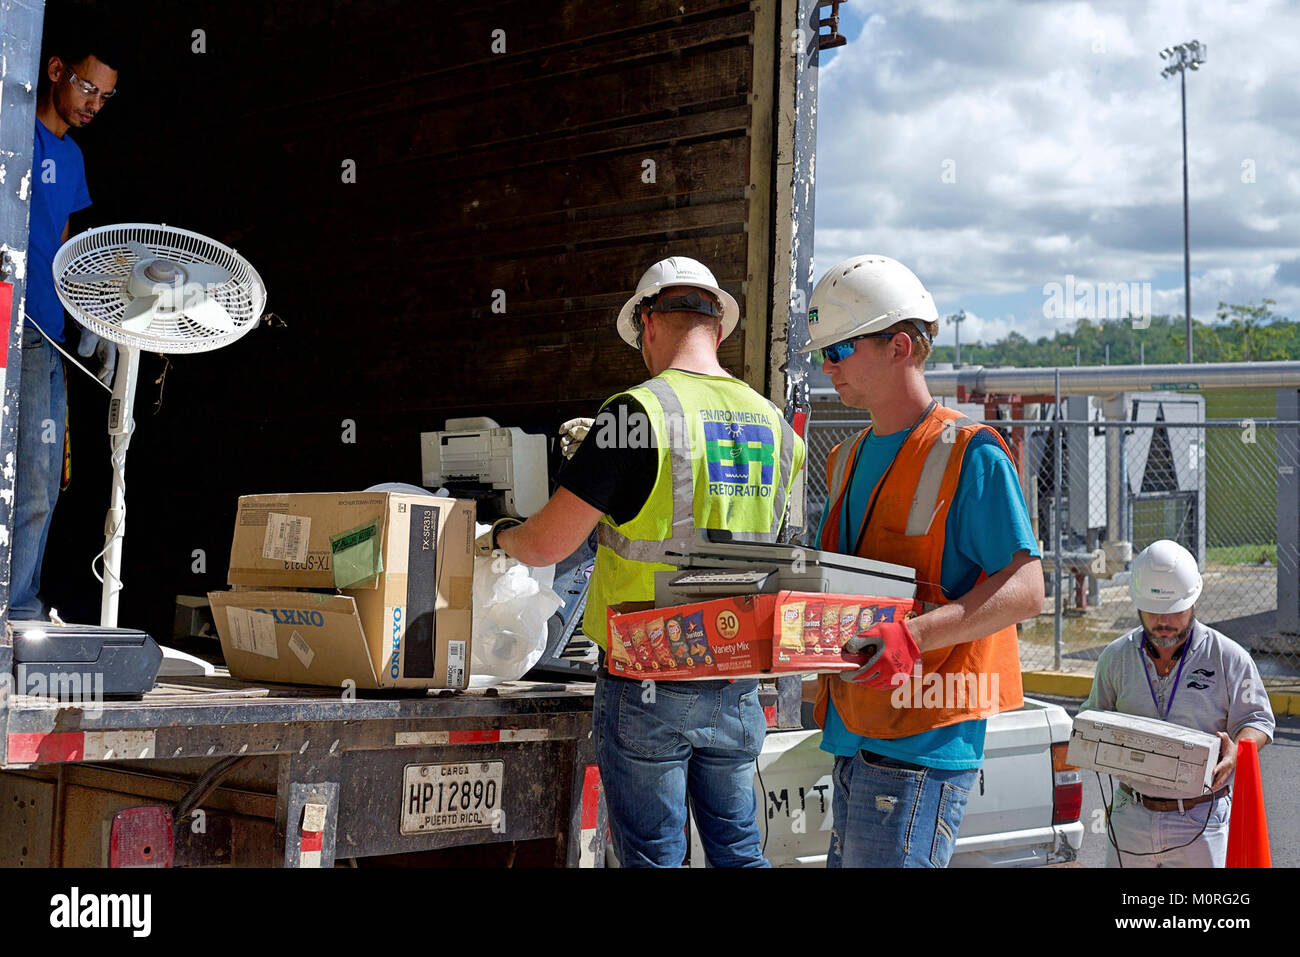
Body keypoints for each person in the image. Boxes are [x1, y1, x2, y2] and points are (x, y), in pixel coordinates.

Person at [479, 255, 805, 867]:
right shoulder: (777, 426)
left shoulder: (638, 412)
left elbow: (550, 543)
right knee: (738, 849)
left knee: (654, 856)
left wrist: (500, 537)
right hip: (735, 671)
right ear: (717, 327)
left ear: (648, 323)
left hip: (649, 668)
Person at [802, 254, 1044, 867]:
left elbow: (1026, 589)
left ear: (899, 346)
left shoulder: (971, 453)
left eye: (840, 350)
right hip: (855, 727)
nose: (828, 367)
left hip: (924, 733)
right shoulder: (846, 458)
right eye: (822, 353)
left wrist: (914, 634)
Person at [12, 31, 120, 620]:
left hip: (47, 337)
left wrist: (87, 314)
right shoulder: (12, 131)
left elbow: (61, 242)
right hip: (11, 323)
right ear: (55, 69)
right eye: (86, 86)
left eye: (103, 97)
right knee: (23, 475)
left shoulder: (72, 157)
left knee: (44, 477)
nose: (92, 104)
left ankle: (18, 605)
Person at [1083, 539, 1274, 867]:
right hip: (1132, 813)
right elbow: (1094, 716)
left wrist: (1237, 752)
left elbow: (1257, 720)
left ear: (1193, 601)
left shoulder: (1227, 657)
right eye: (1153, 611)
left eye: (1174, 611)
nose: (1163, 621)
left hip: (1201, 815)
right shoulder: (1115, 657)